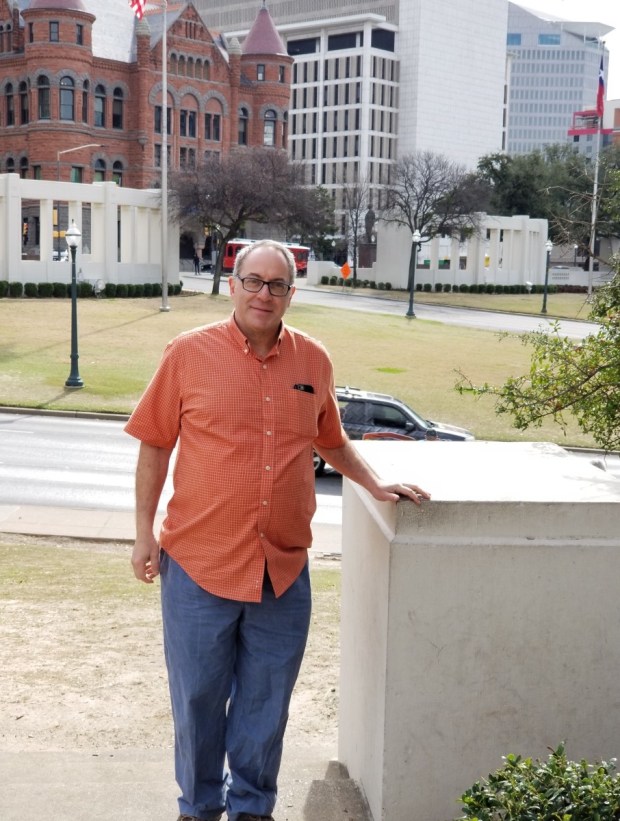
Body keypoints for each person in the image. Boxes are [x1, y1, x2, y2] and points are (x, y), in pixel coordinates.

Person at [125, 239, 430, 821]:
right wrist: (144, 533)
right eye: (255, 281)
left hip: (282, 570)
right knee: (196, 702)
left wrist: (375, 484)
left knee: (266, 707)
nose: (265, 294)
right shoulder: (188, 353)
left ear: (294, 291)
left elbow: (331, 439)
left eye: (279, 284)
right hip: (198, 562)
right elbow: (155, 444)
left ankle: (252, 810)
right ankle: (199, 809)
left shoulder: (312, 360)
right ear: (233, 282)